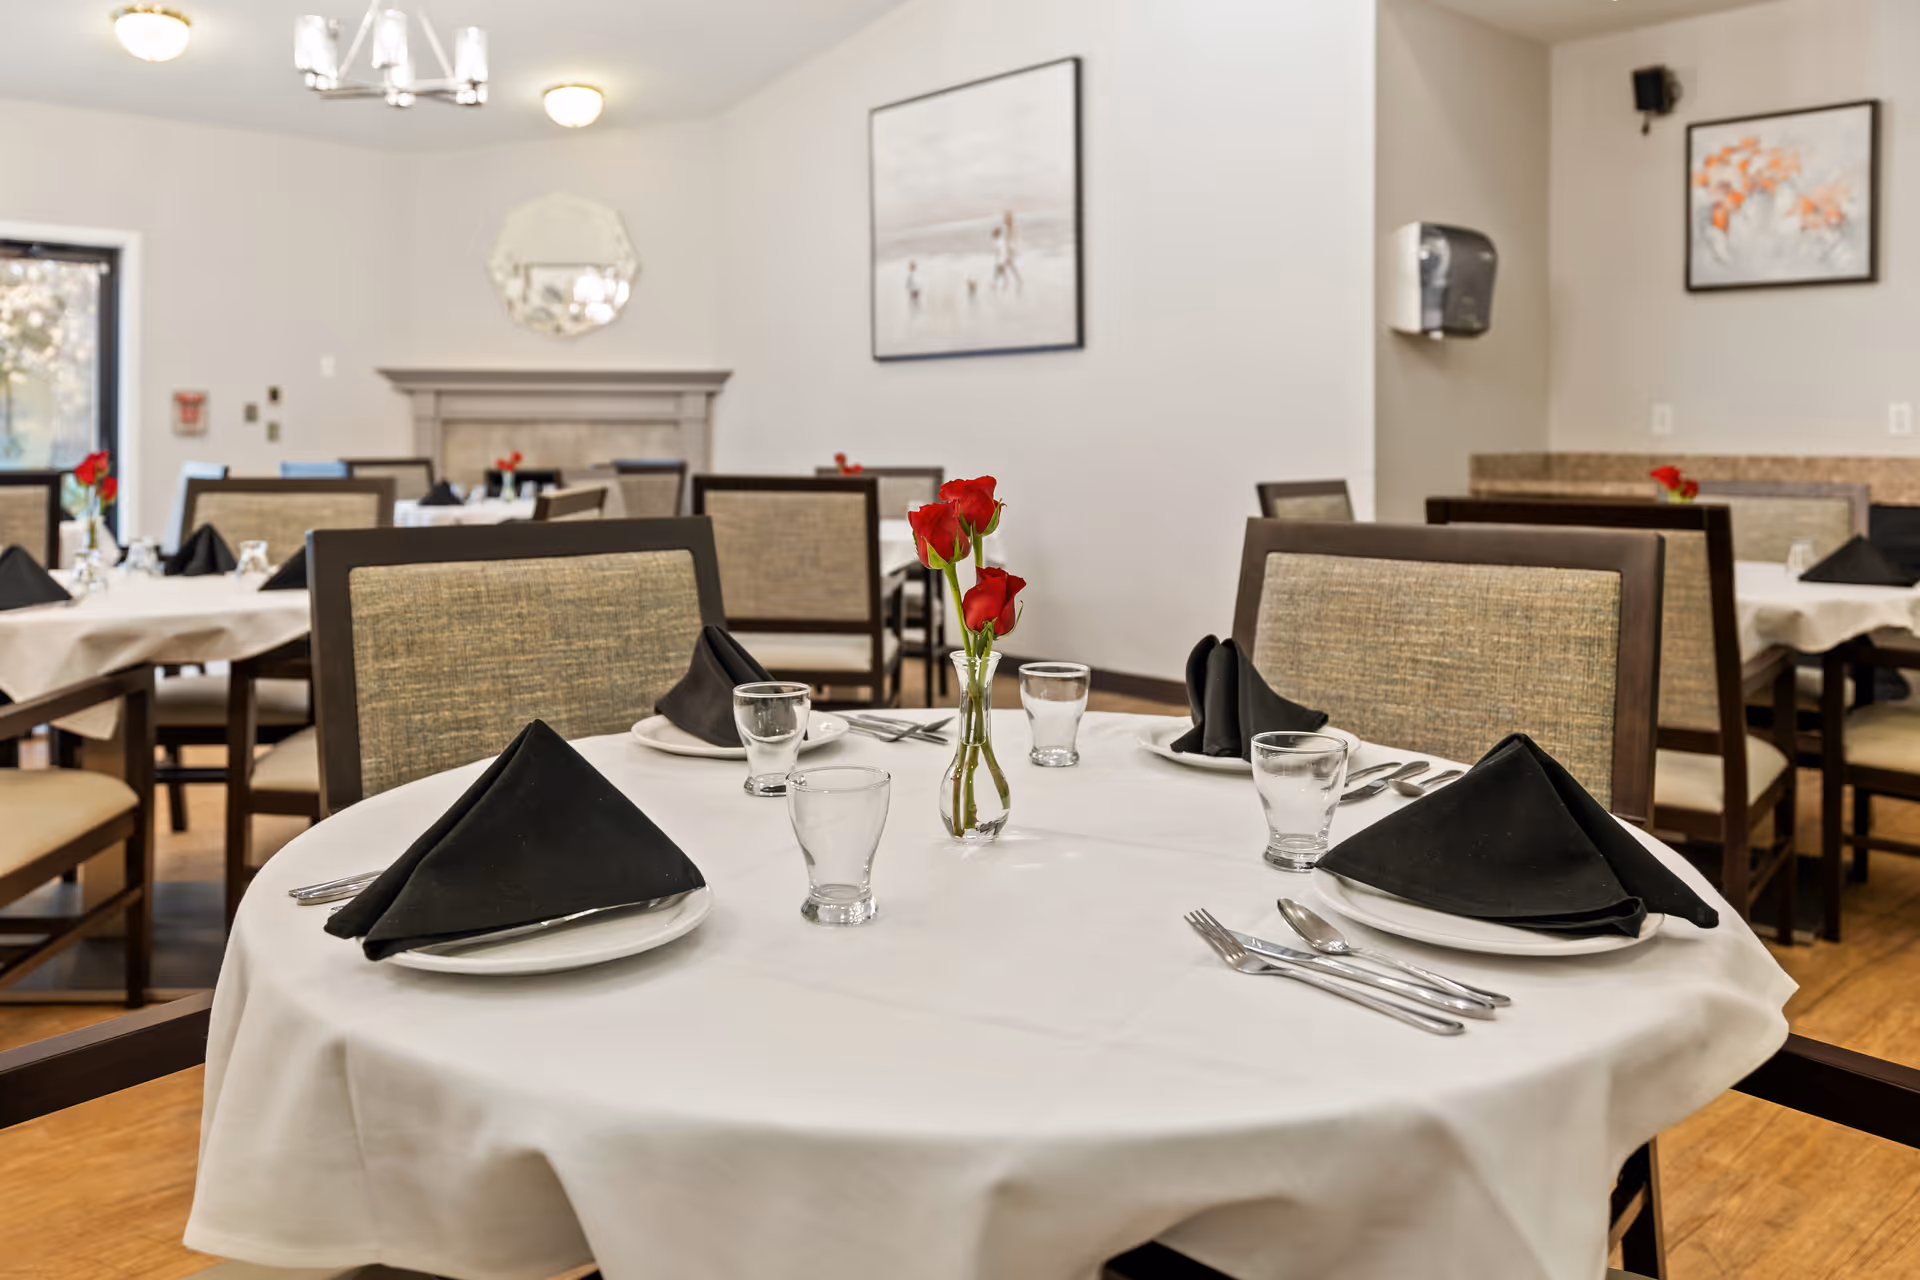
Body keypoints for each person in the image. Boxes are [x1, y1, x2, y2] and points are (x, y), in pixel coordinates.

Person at [991, 211, 1024, 293]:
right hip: (1008, 248)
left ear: (1009, 218)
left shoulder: (1013, 226)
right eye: (1004, 218)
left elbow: (1013, 238)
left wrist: (1010, 251)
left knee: (1005, 265)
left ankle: (1006, 282)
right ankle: (1017, 280)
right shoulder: (1007, 226)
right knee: (1009, 265)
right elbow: (1006, 238)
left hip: (1012, 248)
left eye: (1006, 218)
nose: (1004, 220)